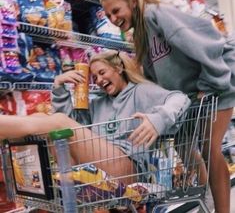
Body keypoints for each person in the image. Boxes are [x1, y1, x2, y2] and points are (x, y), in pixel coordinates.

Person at [100, 0, 235, 213]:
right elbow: (156, 84)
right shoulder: (141, 36)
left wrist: (210, 84)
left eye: (116, 10)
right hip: (193, 95)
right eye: (108, 15)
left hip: (218, 80)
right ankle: (207, 202)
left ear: (132, 2)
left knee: (209, 149)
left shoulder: (157, 14)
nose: (113, 19)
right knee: (184, 146)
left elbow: (206, 42)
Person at [0, 50, 190, 186]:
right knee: (46, 118)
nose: (98, 80)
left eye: (102, 73)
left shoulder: (141, 92)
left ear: (119, 68)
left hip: (130, 169)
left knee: (58, 121)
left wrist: (158, 120)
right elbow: (69, 128)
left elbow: (180, 98)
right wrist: (59, 87)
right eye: (94, 77)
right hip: (99, 167)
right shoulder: (99, 103)